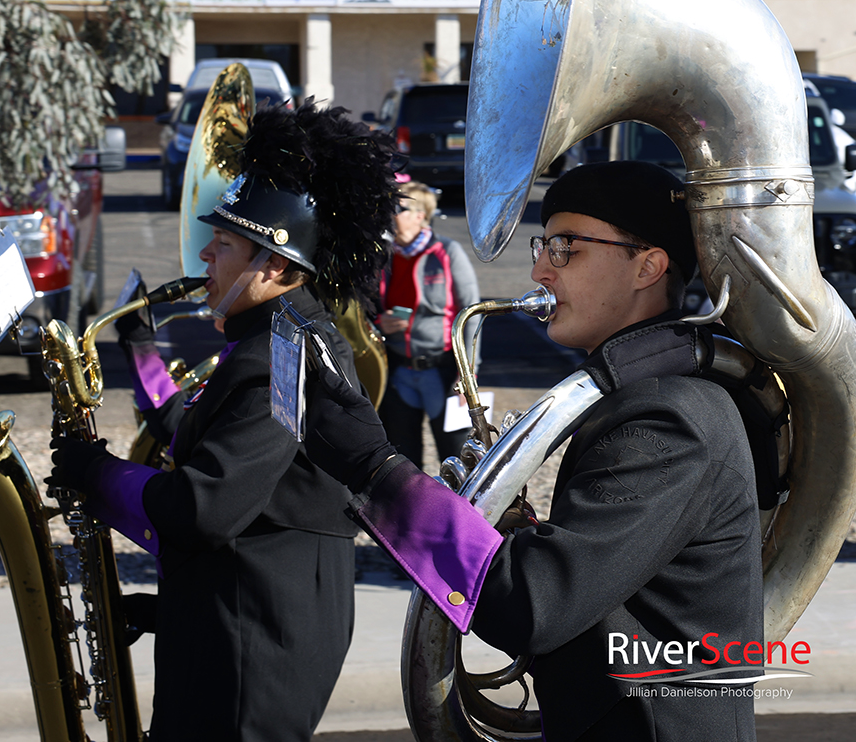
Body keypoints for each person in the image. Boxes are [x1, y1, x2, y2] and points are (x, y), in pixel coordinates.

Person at [303, 161, 763, 742]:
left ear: (648, 266)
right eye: (543, 245)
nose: (540, 268)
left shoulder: (669, 418)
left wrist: (377, 470)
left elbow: (534, 603)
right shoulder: (635, 398)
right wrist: (512, 527)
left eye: (566, 247)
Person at [48, 102, 399, 742]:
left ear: (279, 267)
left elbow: (203, 507)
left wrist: (96, 475)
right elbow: (210, 443)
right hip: (246, 619)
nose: (206, 253)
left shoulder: (277, 356)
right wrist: (142, 353)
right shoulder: (273, 338)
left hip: (256, 646)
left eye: (226, 242)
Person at [377, 180, 481, 468]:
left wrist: (469, 371)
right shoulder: (384, 256)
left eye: (399, 208)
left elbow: (472, 311)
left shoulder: (447, 252)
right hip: (398, 370)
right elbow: (367, 308)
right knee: (402, 460)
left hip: (444, 371)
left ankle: (464, 513)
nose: (391, 213)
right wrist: (379, 323)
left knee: (458, 457)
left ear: (420, 215)